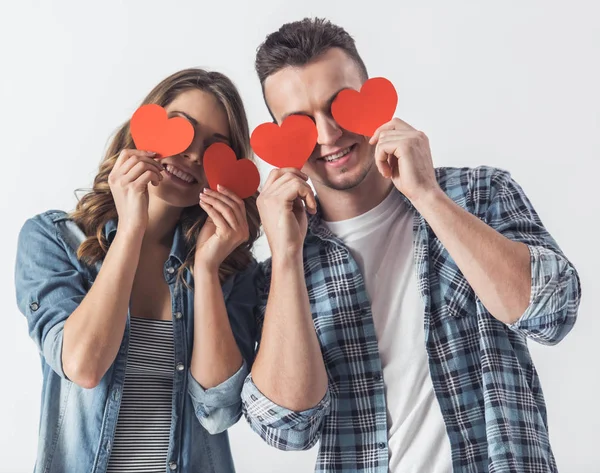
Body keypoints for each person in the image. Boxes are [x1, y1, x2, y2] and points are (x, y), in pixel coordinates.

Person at [241, 18, 581, 473]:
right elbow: (286, 429)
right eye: (300, 124)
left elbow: (553, 314)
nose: (327, 135)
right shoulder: (282, 273)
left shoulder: (482, 194)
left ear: (370, 97)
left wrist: (427, 196)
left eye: (339, 106)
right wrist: (285, 256)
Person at [15, 68, 261, 473]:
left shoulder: (232, 272)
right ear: (144, 129)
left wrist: (206, 266)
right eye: (183, 131)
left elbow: (218, 412)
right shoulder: (53, 240)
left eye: (215, 148)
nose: (195, 156)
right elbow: (83, 365)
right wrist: (130, 229)